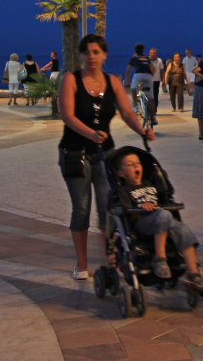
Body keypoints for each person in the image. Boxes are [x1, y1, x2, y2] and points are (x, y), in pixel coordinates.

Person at [58, 34, 154, 280]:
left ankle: (111, 260)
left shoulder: (113, 82)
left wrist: (141, 129)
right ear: (80, 55)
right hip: (75, 153)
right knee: (81, 209)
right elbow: (67, 115)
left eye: (96, 52)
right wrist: (91, 134)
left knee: (108, 208)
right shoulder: (70, 80)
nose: (91, 56)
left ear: (104, 55)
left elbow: (126, 112)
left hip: (105, 154)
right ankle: (81, 263)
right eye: (87, 52)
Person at [112, 150, 203, 288]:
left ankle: (194, 274)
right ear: (121, 173)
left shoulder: (149, 185)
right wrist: (141, 209)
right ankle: (159, 258)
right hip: (141, 224)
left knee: (182, 228)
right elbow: (126, 213)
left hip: (162, 220)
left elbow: (163, 201)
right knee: (163, 215)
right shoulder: (124, 190)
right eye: (130, 164)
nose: (136, 166)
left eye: (138, 163)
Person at [124, 44, 155, 121]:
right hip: (149, 76)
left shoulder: (133, 58)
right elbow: (153, 69)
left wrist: (127, 83)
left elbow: (128, 72)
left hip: (139, 75)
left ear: (135, 50)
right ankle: (153, 117)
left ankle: (135, 107)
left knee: (133, 88)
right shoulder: (147, 57)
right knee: (151, 98)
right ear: (143, 50)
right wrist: (150, 78)